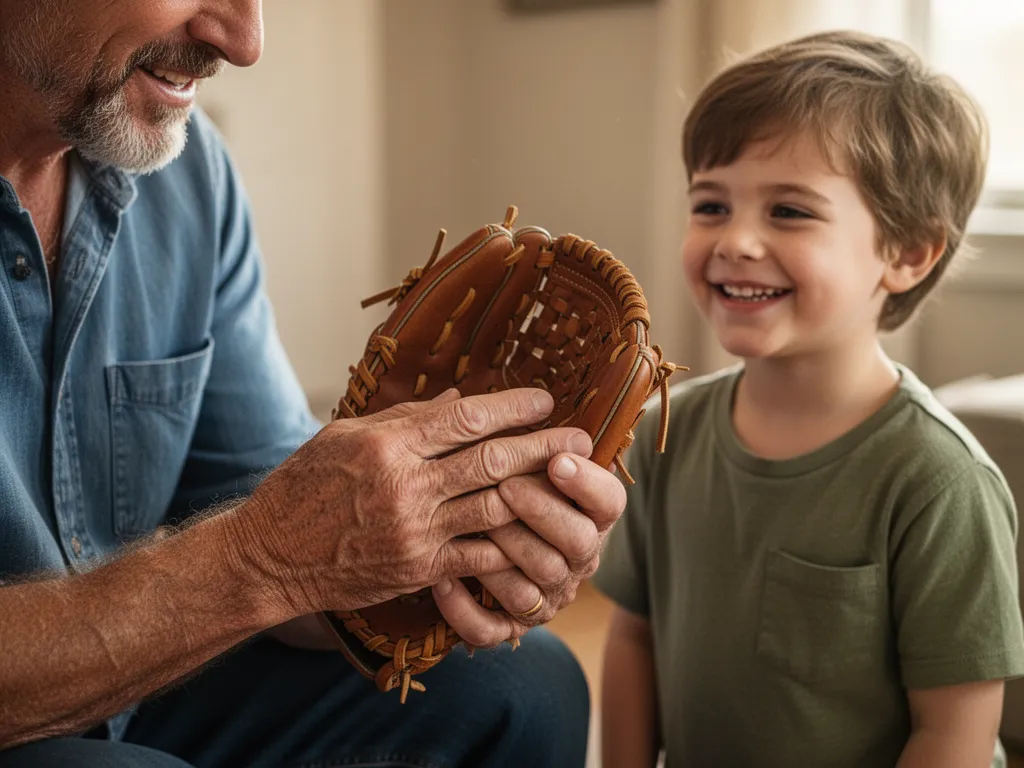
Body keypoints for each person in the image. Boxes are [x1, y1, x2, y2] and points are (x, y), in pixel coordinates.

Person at [0, 2, 626, 766]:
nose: (244, 41)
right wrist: (262, 559)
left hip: (141, 689)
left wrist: (454, 542)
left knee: (526, 686)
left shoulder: (191, 174)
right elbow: (265, 552)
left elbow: (269, 513)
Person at [593, 29, 1024, 768]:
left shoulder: (939, 481)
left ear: (907, 252)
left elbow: (954, 731)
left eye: (788, 211)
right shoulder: (664, 431)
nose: (735, 241)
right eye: (711, 205)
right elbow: (634, 634)